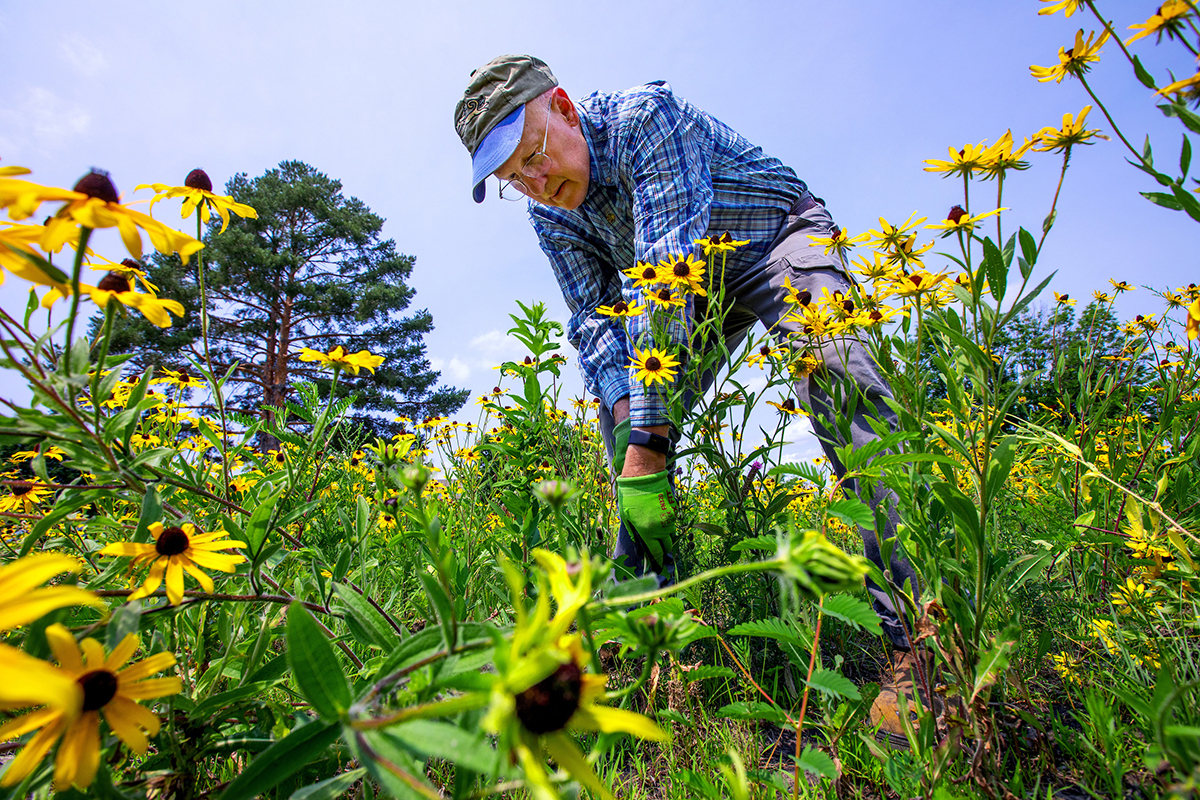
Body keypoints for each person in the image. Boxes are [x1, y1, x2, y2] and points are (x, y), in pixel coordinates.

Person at [454, 54, 933, 745]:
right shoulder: (550, 216)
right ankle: (654, 634)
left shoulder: (645, 120)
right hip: (688, 292)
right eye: (512, 179)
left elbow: (663, 275)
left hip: (772, 237)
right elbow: (596, 321)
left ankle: (919, 641)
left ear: (561, 106)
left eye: (532, 155)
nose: (535, 181)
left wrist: (648, 441)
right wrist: (630, 440)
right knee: (625, 438)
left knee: (833, 369)